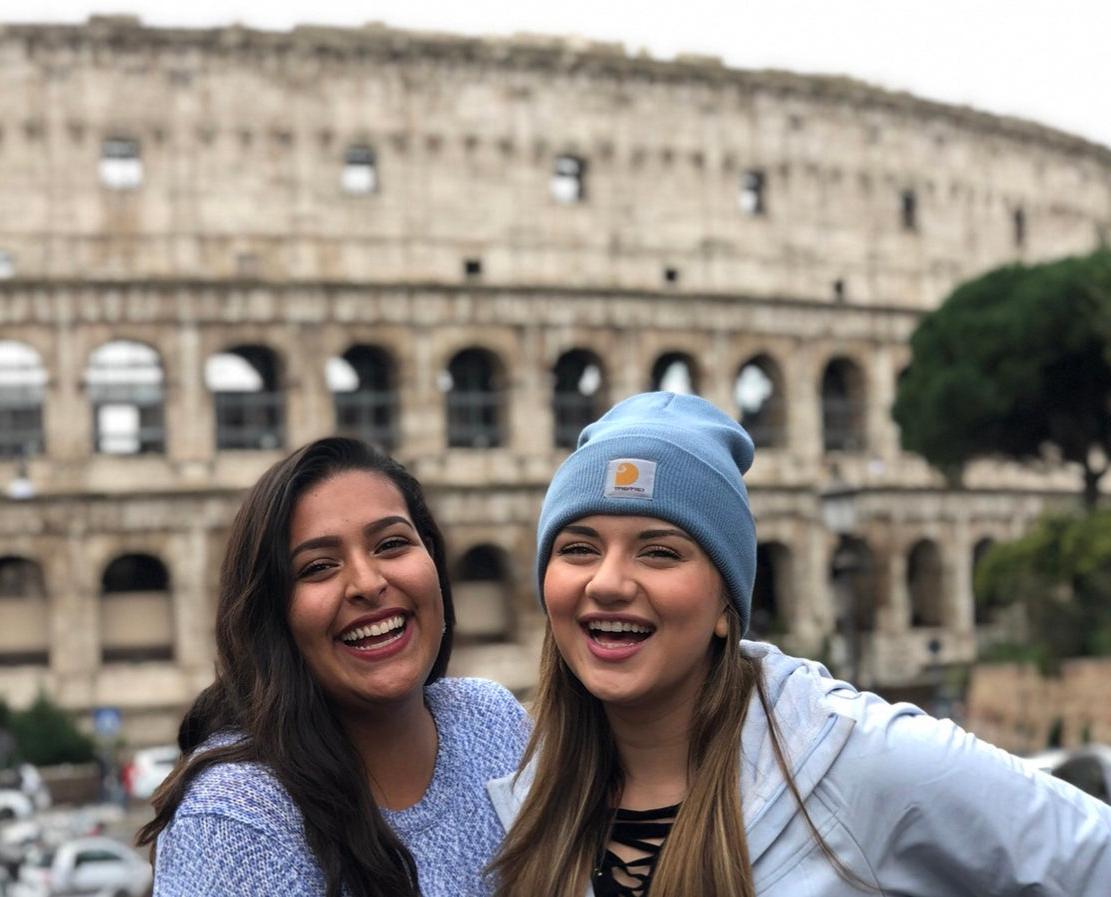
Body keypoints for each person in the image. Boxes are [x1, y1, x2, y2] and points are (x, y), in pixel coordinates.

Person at [487, 392, 1111, 897]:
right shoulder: (527, 790)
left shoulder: (856, 759)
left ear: (726, 608)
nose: (609, 582)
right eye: (578, 549)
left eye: (659, 552)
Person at [139, 437, 529, 897]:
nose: (368, 583)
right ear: (272, 618)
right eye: (319, 567)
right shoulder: (235, 819)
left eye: (391, 544)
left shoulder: (492, 719)